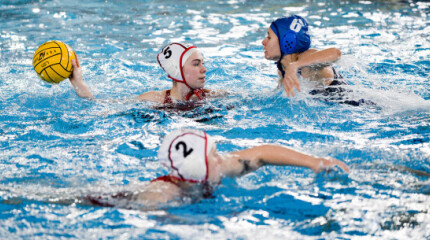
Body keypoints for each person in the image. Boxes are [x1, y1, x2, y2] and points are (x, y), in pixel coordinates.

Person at [86, 129, 349, 210]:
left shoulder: (219, 168)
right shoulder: (162, 195)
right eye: (213, 154)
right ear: (198, 169)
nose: (221, 156)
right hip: (104, 201)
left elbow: (262, 153)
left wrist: (315, 162)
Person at [69, 43, 225, 104]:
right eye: (196, 64)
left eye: (203, 63)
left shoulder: (211, 95)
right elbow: (98, 104)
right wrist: (78, 82)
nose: (204, 69)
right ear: (177, 70)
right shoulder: (154, 99)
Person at [262, 15, 343, 97]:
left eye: (269, 37)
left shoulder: (306, 58)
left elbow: (336, 53)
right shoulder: (283, 69)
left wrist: (296, 65)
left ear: (287, 41)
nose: (263, 42)